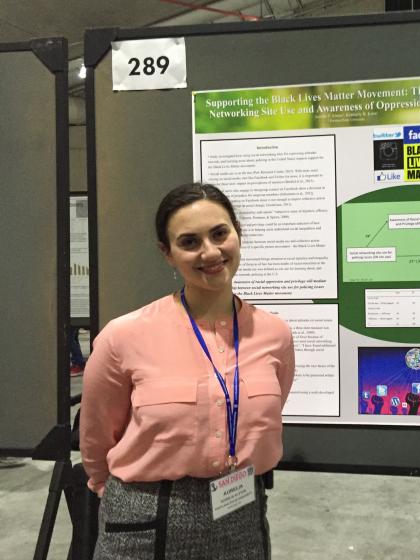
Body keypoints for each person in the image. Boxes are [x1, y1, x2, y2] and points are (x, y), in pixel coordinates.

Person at [80, 183, 295, 560]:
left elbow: (266, 414)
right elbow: (97, 437)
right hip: (143, 520)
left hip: (241, 512)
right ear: (168, 254)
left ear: (237, 233)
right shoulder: (124, 336)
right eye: (189, 242)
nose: (210, 252)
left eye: (219, 233)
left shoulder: (274, 334)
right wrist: (110, 492)